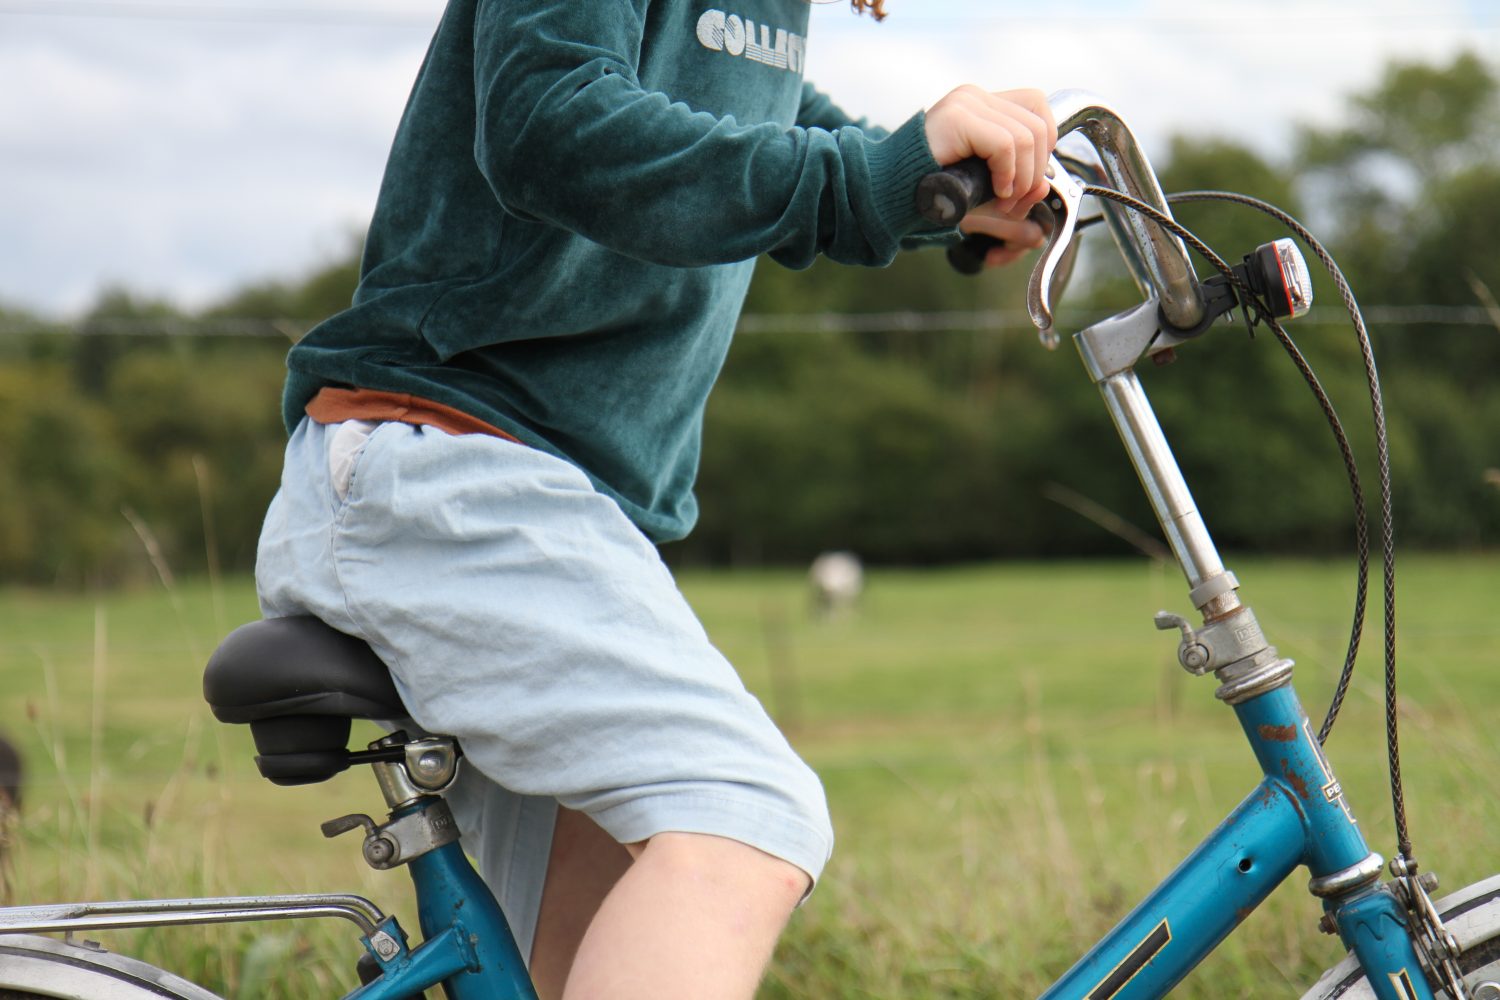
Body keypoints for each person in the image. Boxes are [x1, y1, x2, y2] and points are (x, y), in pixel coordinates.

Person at [255, 0, 1056, 996]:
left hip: (547, 504)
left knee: (580, 946)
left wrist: (931, 199)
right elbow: (548, 117)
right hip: (444, 462)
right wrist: (863, 184)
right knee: (745, 816)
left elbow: (763, 124)